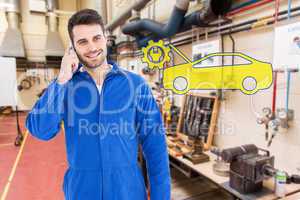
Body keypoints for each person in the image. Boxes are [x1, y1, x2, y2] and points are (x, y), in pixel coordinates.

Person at [26, 9, 171, 200]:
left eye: (96, 38)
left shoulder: (135, 85)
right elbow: (40, 130)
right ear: (73, 47)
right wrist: (61, 80)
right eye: (82, 42)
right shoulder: (65, 87)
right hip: (83, 192)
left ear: (105, 37)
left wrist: (161, 197)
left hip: (127, 191)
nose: (92, 47)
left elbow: (156, 147)